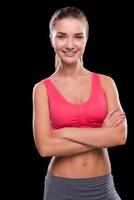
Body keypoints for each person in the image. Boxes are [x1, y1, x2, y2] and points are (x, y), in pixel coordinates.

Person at [32, 6, 127, 200]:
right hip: (61, 188)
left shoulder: (106, 82)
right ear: (51, 39)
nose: (69, 44)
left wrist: (66, 132)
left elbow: (119, 136)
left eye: (78, 36)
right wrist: (102, 134)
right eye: (61, 36)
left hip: (103, 187)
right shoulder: (42, 89)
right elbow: (45, 148)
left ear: (86, 39)